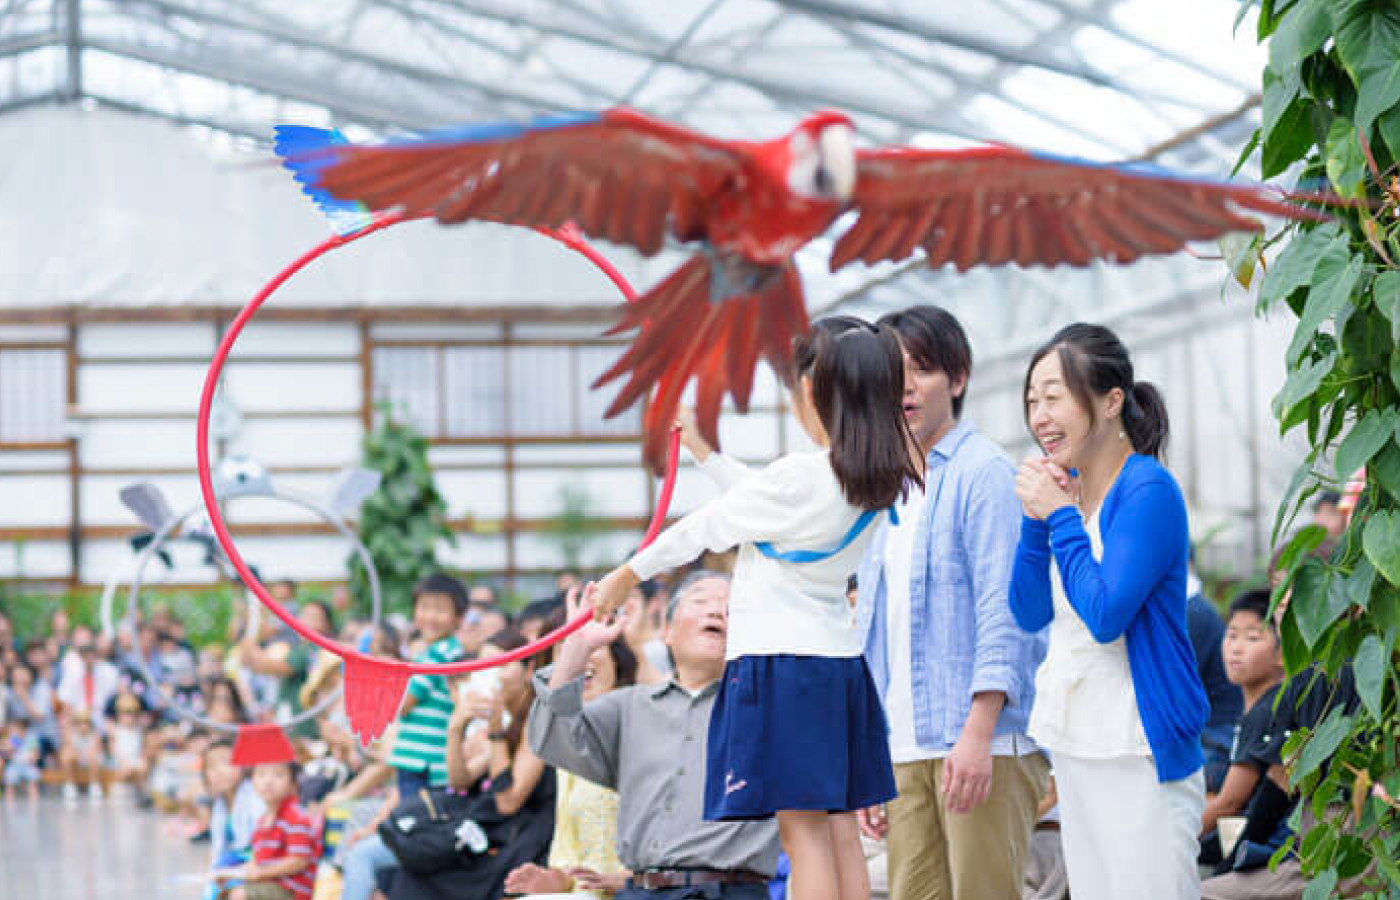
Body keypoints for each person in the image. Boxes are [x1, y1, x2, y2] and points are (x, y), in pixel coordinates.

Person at [586, 315, 920, 900]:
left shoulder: (802, 476)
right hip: (836, 669)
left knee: (803, 834)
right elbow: (756, 499)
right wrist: (700, 447)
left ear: (811, 390)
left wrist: (626, 574)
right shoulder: (872, 478)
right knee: (838, 826)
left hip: (782, 668)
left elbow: (708, 525)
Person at [854, 304, 1049, 900]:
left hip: (977, 742)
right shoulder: (885, 491)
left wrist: (978, 733)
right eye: (892, 372)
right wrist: (871, 755)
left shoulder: (983, 471)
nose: (904, 387)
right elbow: (873, 632)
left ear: (958, 379)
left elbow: (1004, 611)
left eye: (921, 369)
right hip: (904, 747)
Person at [1009, 323, 1208, 900]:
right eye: (1032, 401)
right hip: (1077, 740)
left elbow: (1105, 615)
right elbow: (1028, 611)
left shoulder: (1148, 489)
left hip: (1140, 746)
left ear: (1111, 401)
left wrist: (1060, 516)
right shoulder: (1068, 492)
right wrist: (1036, 519)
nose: (1040, 417)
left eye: (1054, 397)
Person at [530, 571, 780, 900]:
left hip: (730, 890)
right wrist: (577, 649)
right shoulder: (628, 706)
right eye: (700, 600)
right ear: (667, 631)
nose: (716, 610)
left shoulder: (769, 709)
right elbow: (552, 737)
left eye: (731, 606)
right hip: (641, 891)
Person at [507, 633, 638, 897]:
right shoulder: (570, 746)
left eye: (593, 646)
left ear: (616, 659)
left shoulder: (648, 726)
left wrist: (634, 879)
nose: (581, 657)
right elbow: (571, 863)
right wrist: (554, 880)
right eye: (568, 651)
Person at [386, 573, 467, 794]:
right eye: (424, 607)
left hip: (423, 761)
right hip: (425, 758)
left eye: (440, 610)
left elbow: (403, 703)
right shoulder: (444, 650)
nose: (430, 616)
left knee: (416, 814)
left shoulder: (438, 655)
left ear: (459, 617)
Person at [215, 759, 320, 900]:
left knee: (239, 895)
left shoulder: (296, 817)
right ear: (252, 782)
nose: (268, 781)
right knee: (223, 892)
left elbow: (298, 861)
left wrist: (260, 872)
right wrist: (230, 873)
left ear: (293, 784)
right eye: (261, 775)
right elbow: (258, 861)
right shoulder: (262, 821)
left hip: (291, 889)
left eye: (278, 775)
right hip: (268, 885)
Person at [1186, 567, 1243, 793]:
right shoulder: (1191, 608)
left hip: (1216, 738)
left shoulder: (1194, 613)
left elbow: (1176, 691)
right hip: (1207, 735)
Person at [204, 740, 266, 900]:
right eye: (212, 767)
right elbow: (218, 848)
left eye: (226, 763)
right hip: (234, 863)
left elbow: (263, 844)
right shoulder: (220, 803)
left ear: (242, 766)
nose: (219, 772)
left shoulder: (255, 797)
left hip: (258, 861)